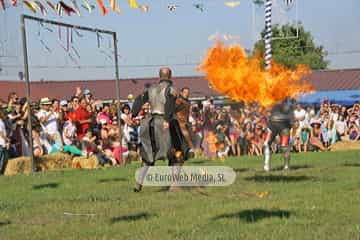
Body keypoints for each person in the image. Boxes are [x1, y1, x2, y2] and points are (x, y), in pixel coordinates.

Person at [132, 67, 185, 192]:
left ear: (159, 76)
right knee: (177, 152)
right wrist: (167, 119)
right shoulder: (171, 89)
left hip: (150, 122)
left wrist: (133, 114)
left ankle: (138, 183)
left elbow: (138, 100)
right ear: (170, 76)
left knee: (148, 154)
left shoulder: (150, 89)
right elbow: (169, 104)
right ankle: (174, 185)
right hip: (164, 123)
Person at [263, 98, 295, 171]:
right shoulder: (270, 103)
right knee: (266, 144)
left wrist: (293, 125)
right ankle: (266, 165)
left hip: (284, 127)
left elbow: (292, 119)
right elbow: (266, 112)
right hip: (272, 125)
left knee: (284, 147)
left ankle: (286, 165)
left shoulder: (288, 107)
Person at [0, 108, 9, 174]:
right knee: (1, 158)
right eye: (4, 114)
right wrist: (6, 139)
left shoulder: (2, 121)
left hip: (3, 143)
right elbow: (0, 133)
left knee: (3, 159)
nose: (6, 115)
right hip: (1, 143)